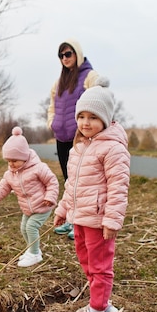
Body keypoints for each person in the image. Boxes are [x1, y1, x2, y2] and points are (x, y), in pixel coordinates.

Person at [53, 84, 130, 312]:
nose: (86, 123)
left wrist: (112, 220)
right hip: (80, 218)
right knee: (86, 261)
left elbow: (119, 186)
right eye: (82, 116)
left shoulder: (112, 147)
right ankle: (103, 304)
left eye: (93, 117)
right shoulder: (80, 147)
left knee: (100, 266)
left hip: (97, 219)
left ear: (105, 119)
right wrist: (62, 209)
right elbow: (72, 185)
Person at [47, 38, 110, 239]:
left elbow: (101, 97)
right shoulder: (58, 82)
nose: (65, 58)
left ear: (77, 54)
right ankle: (71, 220)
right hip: (62, 136)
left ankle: (81, 224)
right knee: (69, 180)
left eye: (68, 54)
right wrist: (52, 123)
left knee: (83, 182)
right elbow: (52, 106)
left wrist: (92, 126)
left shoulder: (89, 76)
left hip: (81, 137)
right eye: (61, 55)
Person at [0, 127, 60, 267]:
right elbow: (0, 190)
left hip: (43, 205)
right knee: (23, 228)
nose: (11, 164)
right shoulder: (10, 174)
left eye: (15, 160)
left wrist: (50, 197)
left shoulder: (39, 168)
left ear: (24, 157)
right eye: (8, 161)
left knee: (31, 227)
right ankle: (32, 250)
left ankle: (35, 254)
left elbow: (52, 182)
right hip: (27, 208)